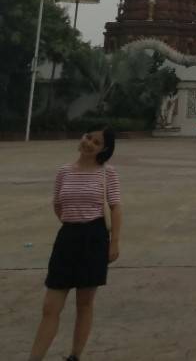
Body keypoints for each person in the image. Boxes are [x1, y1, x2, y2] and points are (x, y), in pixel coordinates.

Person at [29, 128, 122, 361]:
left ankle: (74, 356)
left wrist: (114, 242)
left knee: (84, 304)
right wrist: (72, 223)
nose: (89, 143)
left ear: (104, 149)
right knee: (50, 307)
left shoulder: (107, 173)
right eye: (88, 137)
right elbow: (57, 204)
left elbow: (115, 207)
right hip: (67, 238)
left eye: (97, 142)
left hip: (94, 238)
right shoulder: (64, 171)